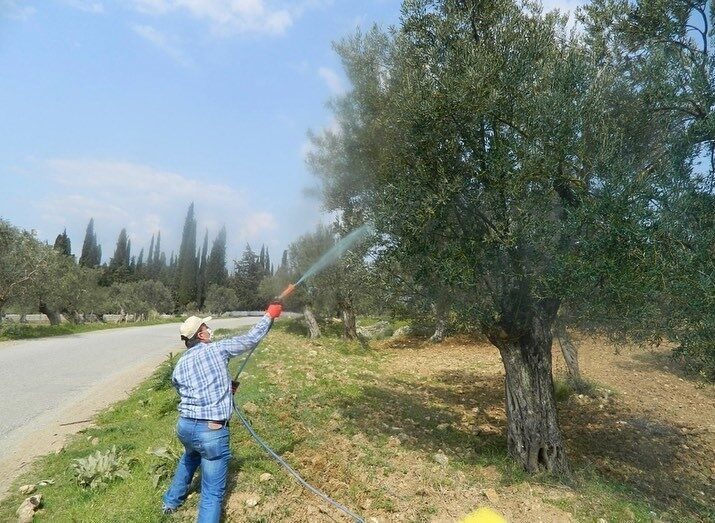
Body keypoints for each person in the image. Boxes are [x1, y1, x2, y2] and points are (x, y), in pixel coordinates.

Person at [162, 303, 283, 521]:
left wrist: (224, 388)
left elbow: (184, 390)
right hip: (211, 431)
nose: (210, 330)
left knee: (190, 458)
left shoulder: (180, 364)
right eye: (206, 327)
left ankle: (170, 503)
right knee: (212, 493)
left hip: (185, 426)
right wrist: (269, 315)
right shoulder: (217, 349)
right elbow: (251, 338)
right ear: (201, 334)